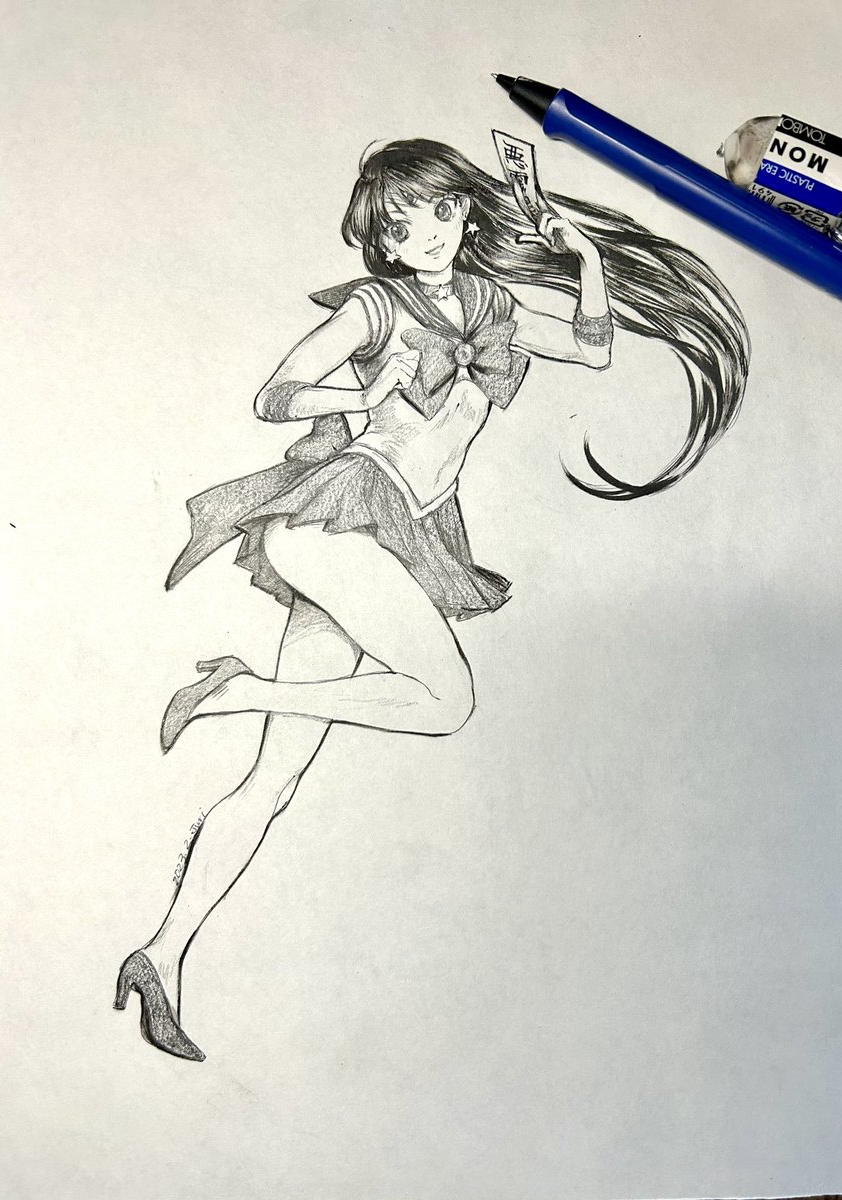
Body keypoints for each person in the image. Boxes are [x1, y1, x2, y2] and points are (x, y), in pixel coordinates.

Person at [114, 137, 749, 1061]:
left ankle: (160, 956)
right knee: (447, 701)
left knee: (275, 779)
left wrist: (586, 259)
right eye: (406, 226)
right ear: (381, 239)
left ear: (466, 210)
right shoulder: (376, 305)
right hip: (344, 517)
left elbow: (592, 350)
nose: (432, 235)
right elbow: (273, 397)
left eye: (444, 212)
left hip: (397, 535)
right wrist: (363, 390)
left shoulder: (494, 306)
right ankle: (238, 690)